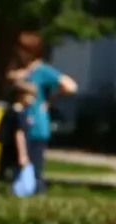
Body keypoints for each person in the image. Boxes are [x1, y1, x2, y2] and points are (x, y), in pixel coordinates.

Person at [11, 30, 80, 193]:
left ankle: (36, 195)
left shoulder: (43, 71)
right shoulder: (22, 70)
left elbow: (71, 86)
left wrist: (51, 99)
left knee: (34, 168)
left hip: (36, 123)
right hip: (21, 122)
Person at [0, 77, 37, 196]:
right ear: (21, 95)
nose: (33, 100)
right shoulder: (19, 114)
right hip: (15, 153)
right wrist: (23, 155)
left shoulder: (11, 112)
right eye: (31, 96)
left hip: (7, 151)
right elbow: (19, 134)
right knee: (15, 177)